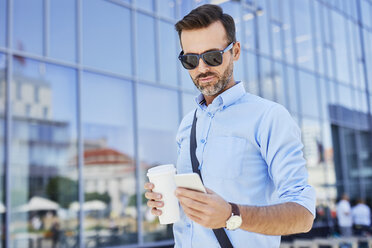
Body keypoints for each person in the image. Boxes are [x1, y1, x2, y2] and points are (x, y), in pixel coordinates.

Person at [144, 4, 316, 247]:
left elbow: (303, 215)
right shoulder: (187, 125)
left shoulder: (269, 117)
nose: (202, 68)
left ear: (235, 51)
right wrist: (165, 200)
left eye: (212, 56)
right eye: (190, 60)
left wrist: (231, 215)